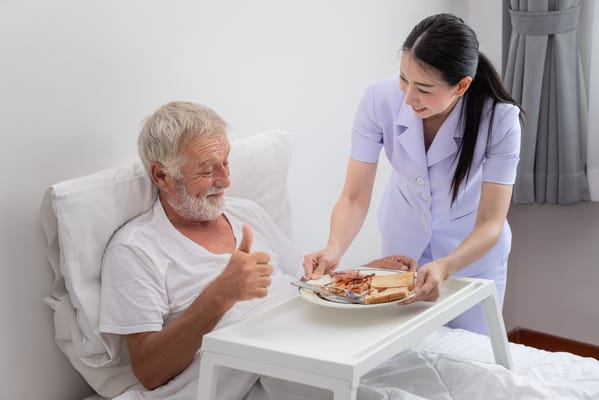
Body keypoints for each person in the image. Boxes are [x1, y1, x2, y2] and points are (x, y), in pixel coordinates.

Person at [303, 13, 522, 335]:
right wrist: (334, 247)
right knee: (403, 350)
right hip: (402, 247)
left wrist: (446, 266)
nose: (408, 97)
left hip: (471, 255)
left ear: (461, 86)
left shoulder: (500, 120)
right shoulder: (379, 98)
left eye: (423, 87)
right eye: (403, 79)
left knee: (473, 356)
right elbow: (353, 196)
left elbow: (491, 222)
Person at [98, 101, 303, 399]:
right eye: (207, 170)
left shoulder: (248, 213)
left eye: (226, 162)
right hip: (254, 378)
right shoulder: (135, 249)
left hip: (311, 351)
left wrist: (358, 280)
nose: (225, 180)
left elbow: (307, 285)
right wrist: (220, 294)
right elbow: (149, 371)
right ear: (162, 176)